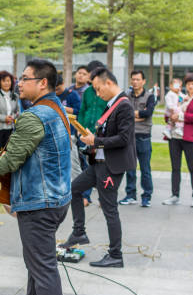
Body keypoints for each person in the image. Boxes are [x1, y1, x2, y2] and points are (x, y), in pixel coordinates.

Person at [0, 59, 71, 295]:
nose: (18, 83)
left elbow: (11, 160)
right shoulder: (57, 109)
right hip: (57, 200)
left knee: (43, 270)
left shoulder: (34, 116)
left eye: (25, 79)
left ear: (42, 83)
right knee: (38, 265)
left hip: (39, 204)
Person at [61, 67, 136, 269]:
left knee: (109, 208)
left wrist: (97, 141)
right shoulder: (112, 104)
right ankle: (79, 232)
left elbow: (124, 139)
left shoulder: (124, 105)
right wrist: (92, 139)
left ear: (108, 83)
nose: (97, 93)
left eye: (97, 88)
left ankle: (115, 255)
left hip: (111, 166)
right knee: (74, 190)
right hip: (99, 163)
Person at [162, 72, 193, 208]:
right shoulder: (181, 97)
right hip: (175, 137)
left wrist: (180, 116)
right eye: (188, 84)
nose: (190, 86)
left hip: (191, 138)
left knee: (192, 167)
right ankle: (175, 195)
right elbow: (170, 113)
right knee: (175, 167)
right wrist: (170, 116)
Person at [120, 70, 156, 207]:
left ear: (143, 81)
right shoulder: (126, 95)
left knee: (145, 168)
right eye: (133, 79)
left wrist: (132, 114)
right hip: (128, 136)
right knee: (130, 167)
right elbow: (122, 112)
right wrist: (137, 115)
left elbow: (148, 113)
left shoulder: (150, 96)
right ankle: (130, 195)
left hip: (144, 136)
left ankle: (146, 196)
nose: (135, 82)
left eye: (138, 79)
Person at [75, 60, 107, 206]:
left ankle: (103, 197)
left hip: (101, 136)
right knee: (86, 166)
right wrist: (79, 128)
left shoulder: (106, 91)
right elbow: (82, 111)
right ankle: (86, 197)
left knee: (102, 167)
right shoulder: (87, 92)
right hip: (85, 132)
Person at [0, 70, 19, 157]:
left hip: (10, 129)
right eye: (4, 81)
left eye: (8, 81)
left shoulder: (15, 96)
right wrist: (4, 118)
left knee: (8, 154)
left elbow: (17, 111)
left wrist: (12, 117)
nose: (6, 83)